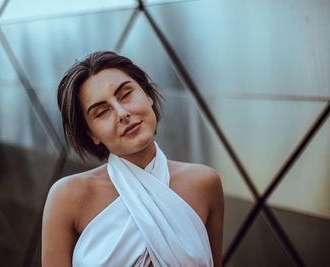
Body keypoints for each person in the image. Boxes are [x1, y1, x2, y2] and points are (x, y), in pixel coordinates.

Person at [42, 51, 224, 267]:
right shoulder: (67, 197)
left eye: (125, 94)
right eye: (101, 112)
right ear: (91, 134)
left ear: (147, 95)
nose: (121, 113)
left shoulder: (205, 183)